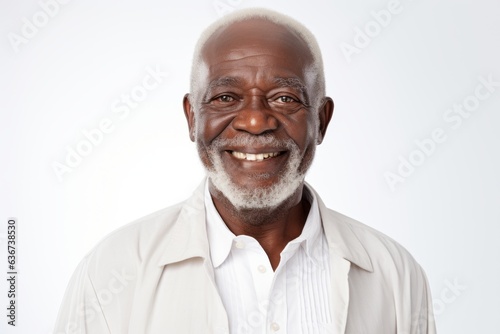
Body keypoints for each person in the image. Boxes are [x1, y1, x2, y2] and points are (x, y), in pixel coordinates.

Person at [54, 8, 436, 334]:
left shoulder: (395, 275)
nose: (255, 121)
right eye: (225, 98)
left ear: (321, 121)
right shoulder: (110, 273)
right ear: (192, 117)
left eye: (285, 98)